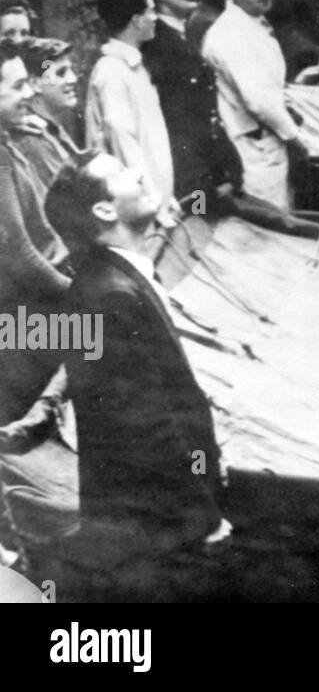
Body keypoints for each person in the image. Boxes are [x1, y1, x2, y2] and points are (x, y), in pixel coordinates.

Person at [43, 151, 230, 600]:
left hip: (148, 522)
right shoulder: (109, 295)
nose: (140, 173)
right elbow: (144, 426)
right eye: (122, 173)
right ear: (104, 210)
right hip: (156, 529)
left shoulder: (116, 279)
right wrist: (200, 511)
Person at [140, 0, 243, 211]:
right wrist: (203, 189)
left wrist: (229, 168)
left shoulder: (180, 35)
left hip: (212, 174)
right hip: (193, 184)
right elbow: (179, 125)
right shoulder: (161, 46)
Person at [0, 40, 69, 427]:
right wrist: (75, 292)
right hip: (21, 319)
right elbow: (19, 253)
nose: (30, 93)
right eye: (18, 86)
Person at [202, 0, 306, 211]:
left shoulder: (252, 24)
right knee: (269, 216)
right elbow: (258, 101)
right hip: (253, 145)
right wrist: (294, 138)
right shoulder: (230, 34)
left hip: (267, 140)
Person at [85, 0, 174, 210]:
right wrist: (152, 201)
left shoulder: (133, 66)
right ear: (136, 20)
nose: (155, 18)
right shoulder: (112, 72)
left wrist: (166, 197)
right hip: (137, 208)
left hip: (155, 202)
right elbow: (123, 143)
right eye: (151, 11)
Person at [15, 38, 81, 187]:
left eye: (71, 70)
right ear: (35, 83)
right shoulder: (33, 138)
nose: (73, 79)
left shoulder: (51, 128)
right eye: (61, 72)